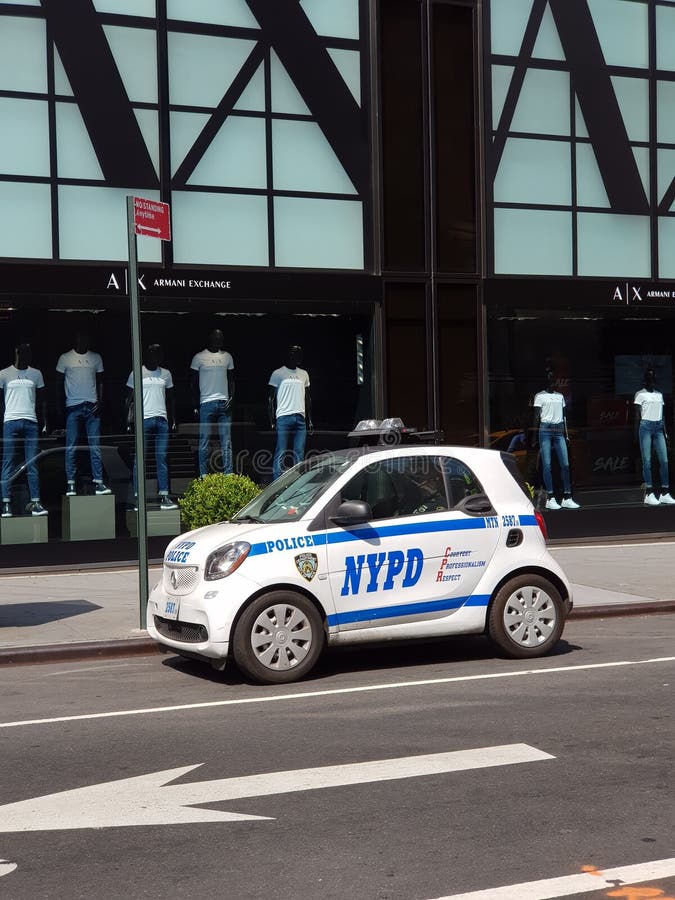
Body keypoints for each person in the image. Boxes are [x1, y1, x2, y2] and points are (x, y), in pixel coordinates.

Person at [55, 330, 110, 496]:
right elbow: (58, 383)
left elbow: (101, 380)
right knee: (71, 446)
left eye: (86, 337)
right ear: (76, 338)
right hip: (73, 406)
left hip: (92, 406)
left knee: (95, 446)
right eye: (81, 337)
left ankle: (98, 482)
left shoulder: (96, 357)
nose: (83, 340)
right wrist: (60, 404)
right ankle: (70, 483)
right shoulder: (65, 358)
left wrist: (100, 400)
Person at [126, 344, 178, 510]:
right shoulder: (137, 372)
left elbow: (171, 399)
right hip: (144, 420)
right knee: (140, 460)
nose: (155, 356)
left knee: (161, 458)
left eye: (158, 353)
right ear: (146, 355)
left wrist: (173, 420)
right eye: (152, 353)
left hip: (162, 420)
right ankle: (137, 497)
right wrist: (129, 420)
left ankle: (164, 496)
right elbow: (128, 399)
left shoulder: (166, 374)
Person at [0, 343, 48, 517]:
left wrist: (44, 422)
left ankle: (35, 501)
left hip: (31, 422)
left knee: (32, 463)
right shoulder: (4, 374)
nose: (26, 355)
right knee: (8, 462)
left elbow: (42, 400)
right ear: (16, 352)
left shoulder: (36, 374)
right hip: (10, 421)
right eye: (23, 352)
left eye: (29, 352)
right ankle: (6, 503)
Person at [531, 368, 580, 510]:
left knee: (565, 463)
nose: (552, 381)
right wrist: (534, 436)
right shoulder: (539, 396)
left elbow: (565, 417)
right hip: (545, 429)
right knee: (547, 464)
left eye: (554, 379)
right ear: (546, 381)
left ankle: (567, 496)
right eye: (549, 379)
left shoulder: (560, 396)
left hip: (558, 429)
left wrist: (567, 434)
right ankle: (550, 497)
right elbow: (535, 417)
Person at [190, 329, 234, 477]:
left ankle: (228, 475)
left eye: (221, 338)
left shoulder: (227, 357)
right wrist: (195, 404)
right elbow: (193, 383)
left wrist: (231, 398)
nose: (219, 341)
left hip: (224, 402)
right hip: (206, 402)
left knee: (226, 441)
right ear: (210, 339)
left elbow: (232, 380)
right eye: (216, 338)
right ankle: (203, 475)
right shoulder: (199, 357)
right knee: (204, 440)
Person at [268, 345, 312, 481]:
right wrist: (271, 420)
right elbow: (270, 398)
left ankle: (297, 482)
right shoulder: (278, 373)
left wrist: (309, 419)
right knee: (281, 450)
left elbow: (307, 398)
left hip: (300, 418)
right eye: (293, 353)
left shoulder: (304, 374)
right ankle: (276, 481)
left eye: (299, 353)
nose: (296, 356)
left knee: (299, 452)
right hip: (283, 417)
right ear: (288, 355)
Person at [634, 365, 675, 505]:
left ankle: (664, 492)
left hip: (658, 428)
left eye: (653, 377)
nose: (651, 379)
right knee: (647, 460)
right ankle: (649, 492)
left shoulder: (659, 395)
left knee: (664, 460)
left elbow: (663, 416)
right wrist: (636, 434)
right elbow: (637, 416)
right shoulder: (640, 394)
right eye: (649, 377)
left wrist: (666, 432)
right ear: (645, 379)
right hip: (645, 427)